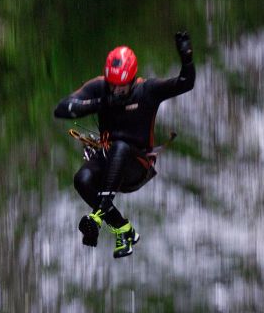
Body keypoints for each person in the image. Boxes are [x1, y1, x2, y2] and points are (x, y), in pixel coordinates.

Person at [54, 32, 195, 258]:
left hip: (136, 166)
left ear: (132, 80)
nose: (116, 90)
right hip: (108, 159)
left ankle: (98, 216)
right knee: (82, 179)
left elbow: (185, 83)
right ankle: (123, 229)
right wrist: (102, 102)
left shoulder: (147, 90)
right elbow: (62, 109)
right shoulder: (100, 89)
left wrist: (186, 58)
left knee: (120, 146)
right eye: (112, 85)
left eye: (121, 87)